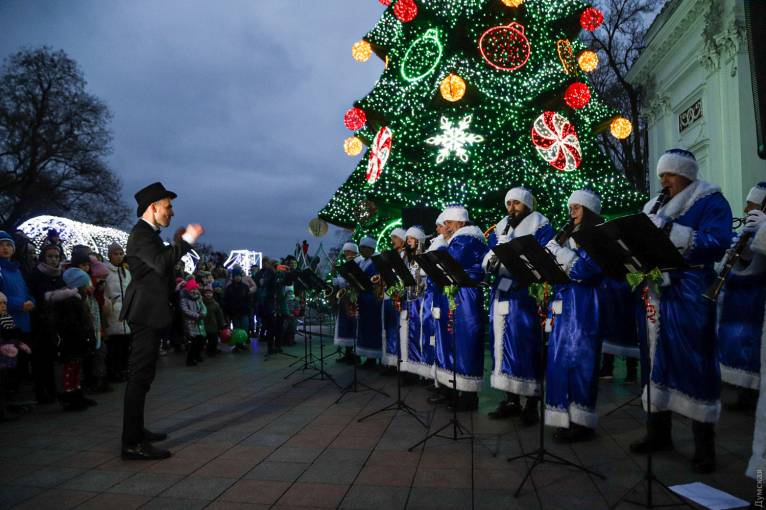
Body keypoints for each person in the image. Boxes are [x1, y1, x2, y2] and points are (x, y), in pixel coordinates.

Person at [630, 149, 732, 473]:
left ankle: (705, 445)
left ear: (687, 174)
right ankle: (658, 432)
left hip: (691, 289)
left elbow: (718, 242)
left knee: (694, 360)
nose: (664, 181)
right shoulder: (654, 206)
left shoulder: (711, 201)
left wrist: (671, 232)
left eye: (670, 174)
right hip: (659, 291)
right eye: (661, 175)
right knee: (654, 359)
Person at [120, 182, 203, 460]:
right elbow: (161, 263)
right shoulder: (142, 234)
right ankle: (131, 443)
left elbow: (161, 264)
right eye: (168, 207)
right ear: (153, 208)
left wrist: (177, 244)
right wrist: (186, 241)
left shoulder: (149, 234)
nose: (172, 212)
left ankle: (137, 431)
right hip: (144, 313)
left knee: (144, 377)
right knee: (139, 376)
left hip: (150, 311)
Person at [484, 187, 554, 425]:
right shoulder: (501, 226)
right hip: (502, 293)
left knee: (526, 346)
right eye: (509, 203)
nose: (511, 208)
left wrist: (514, 251)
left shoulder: (540, 224)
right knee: (501, 346)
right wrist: (495, 254)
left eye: (516, 203)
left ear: (526, 204)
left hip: (526, 296)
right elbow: (488, 258)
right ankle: (511, 398)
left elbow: (545, 257)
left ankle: (532, 403)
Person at [543, 189, 605, 442]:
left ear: (589, 211)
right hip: (564, 303)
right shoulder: (570, 237)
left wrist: (559, 252)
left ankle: (581, 420)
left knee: (581, 360)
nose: (572, 213)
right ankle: (564, 415)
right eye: (571, 208)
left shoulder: (597, 237)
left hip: (584, 305)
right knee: (559, 359)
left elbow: (585, 270)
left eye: (577, 208)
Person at [432, 205, 488, 411]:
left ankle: (468, 395)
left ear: (461, 223)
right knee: (453, 342)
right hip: (456, 295)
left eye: (448, 223)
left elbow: (448, 261)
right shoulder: (457, 239)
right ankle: (455, 389)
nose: (445, 227)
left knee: (465, 342)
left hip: (465, 296)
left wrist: (440, 243)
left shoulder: (466, 239)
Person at [716, 183, 766, 412]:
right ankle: (746, 393)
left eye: (751, 204)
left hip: (756, 300)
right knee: (742, 349)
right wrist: (738, 248)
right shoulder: (751, 225)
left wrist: (758, 236)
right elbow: (744, 263)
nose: (746, 210)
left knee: (753, 350)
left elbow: (756, 268)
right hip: (739, 301)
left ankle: (751, 395)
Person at [26, 243, 75, 404]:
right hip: (41, 321)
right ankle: (42, 391)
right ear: (43, 257)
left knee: (54, 357)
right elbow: (42, 296)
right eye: (50, 256)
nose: (53, 260)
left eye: (56, 256)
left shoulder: (60, 274)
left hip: (58, 321)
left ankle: (54, 390)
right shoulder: (37, 274)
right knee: (42, 359)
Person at [54, 268, 98, 412]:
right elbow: (72, 324)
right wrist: (83, 336)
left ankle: (77, 394)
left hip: (77, 340)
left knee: (76, 368)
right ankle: (69, 396)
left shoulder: (77, 300)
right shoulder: (70, 302)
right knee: (70, 368)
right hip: (72, 341)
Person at [399, 226, 430, 379]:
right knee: (409, 334)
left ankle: (423, 370)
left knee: (421, 335)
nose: (408, 241)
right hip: (410, 300)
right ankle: (410, 368)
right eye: (407, 239)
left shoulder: (425, 256)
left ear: (418, 240)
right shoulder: (408, 259)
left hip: (422, 301)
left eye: (411, 238)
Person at [0, 291, 32, 421]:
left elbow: (11, 334)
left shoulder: (6, 317)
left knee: (5, 381)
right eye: (0, 304)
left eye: (4, 303)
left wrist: (18, 343)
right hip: (3, 354)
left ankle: (4, 407)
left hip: (7, 356)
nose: (3, 306)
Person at [104, 243, 132, 383]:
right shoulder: (105, 271)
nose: (119, 256)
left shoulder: (126, 272)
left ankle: (123, 369)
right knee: (114, 346)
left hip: (126, 311)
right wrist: (109, 305)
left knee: (125, 345)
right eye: (116, 254)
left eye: (121, 253)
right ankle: (113, 372)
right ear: (110, 255)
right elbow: (104, 292)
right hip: (113, 312)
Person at [333, 242, 360, 363]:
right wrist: (334, 273)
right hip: (344, 300)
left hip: (354, 299)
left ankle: (356, 354)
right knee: (346, 327)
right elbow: (340, 282)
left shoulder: (359, 263)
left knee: (354, 326)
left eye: (348, 252)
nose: (346, 254)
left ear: (354, 252)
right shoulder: (346, 265)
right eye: (345, 252)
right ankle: (348, 352)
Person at [180, 278, 207, 366]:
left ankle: (197, 355)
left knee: (201, 340)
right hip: (191, 323)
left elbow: (203, 307)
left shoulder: (199, 298)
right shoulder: (184, 299)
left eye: (195, 289)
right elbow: (185, 310)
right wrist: (196, 315)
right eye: (192, 289)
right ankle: (190, 359)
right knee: (193, 342)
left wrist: (203, 313)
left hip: (200, 322)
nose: (194, 291)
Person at [202, 286, 224, 356]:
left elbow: (219, 315)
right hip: (203, 325)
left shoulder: (215, 304)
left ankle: (212, 351)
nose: (208, 294)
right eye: (206, 293)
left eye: (210, 293)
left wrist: (221, 324)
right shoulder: (201, 303)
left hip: (213, 325)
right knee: (203, 340)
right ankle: (207, 351)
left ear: (212, 294)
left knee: (214, 341)